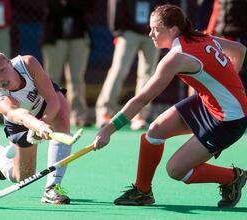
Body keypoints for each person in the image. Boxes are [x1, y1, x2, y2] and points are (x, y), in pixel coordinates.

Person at [93, 4, 247, 208]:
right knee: (154, 131)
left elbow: (141, 99)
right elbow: (239, 50)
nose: (150, 34)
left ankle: (232, 177)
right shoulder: (200, 36)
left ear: (173, 29)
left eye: (156, 29)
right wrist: (228, 84)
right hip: (209, 103)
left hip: (229, 119)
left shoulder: (176, 58)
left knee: (176, 170)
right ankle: (142, 191)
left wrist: (108, 129)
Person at [0, 51, 72, 204]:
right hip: (21, 124)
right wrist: (38, 126)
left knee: (62, 118)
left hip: (44, 104)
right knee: (23, 177)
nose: (1, 78)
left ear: (10, 63)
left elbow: (52, 100)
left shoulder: (28, 64)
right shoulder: (3, 100)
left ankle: (52, 188)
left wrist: (44, 122)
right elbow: (22, 116)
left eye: (2, 70)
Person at [95, 0, 160, 130]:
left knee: (148, 74)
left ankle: (139, 116)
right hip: (128, 31)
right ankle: (105, 113)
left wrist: (159, 27)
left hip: (152, 31)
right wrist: (118, 30)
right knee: (118, 70)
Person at [41, 0, 93, 127]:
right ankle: (50, 116)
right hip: (54, 38)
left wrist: (67, 3)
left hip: (79, 36)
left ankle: (78, 115)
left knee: (77, 78)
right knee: (51, 79)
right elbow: (51, 7)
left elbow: (86, 6)